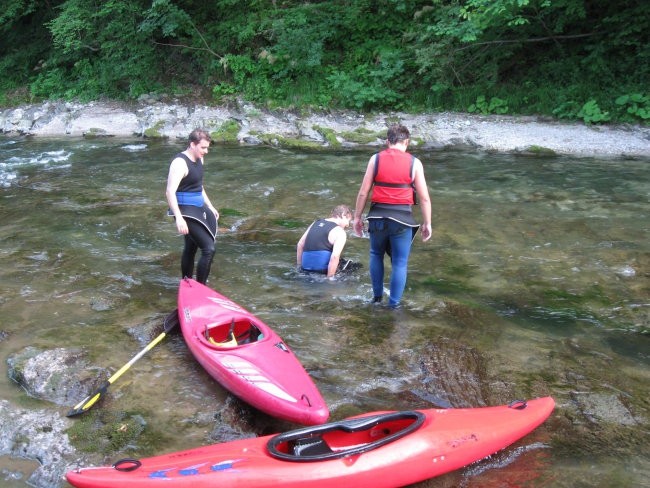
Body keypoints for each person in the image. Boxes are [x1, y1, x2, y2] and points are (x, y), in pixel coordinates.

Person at [352, 124, 432, 308]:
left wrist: (357, 218)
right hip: (402, 220)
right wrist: (427, 223)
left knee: (375, 254)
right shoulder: (415, 163)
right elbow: (425, 198)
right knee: (399, 263)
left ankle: (376, 299)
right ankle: (393, 306)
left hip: (377, 218)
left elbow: (363, 193)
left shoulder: (375, 159)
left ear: (388, 142)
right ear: (407, 142)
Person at [166, 129, 220, 284]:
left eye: (207, 147)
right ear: (192, 144)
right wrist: (179, 218)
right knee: (209, 249)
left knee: (191, 247)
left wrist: (210, 206)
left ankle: (187, 282)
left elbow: (199, 186)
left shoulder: (199, 159)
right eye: (203, 148)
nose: (206, 151)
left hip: (198, 208)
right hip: (185, 211)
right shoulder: (179, 163)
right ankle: (200, 288)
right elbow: (170, 192)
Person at [297, 204, 353, 278]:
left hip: (305, 269)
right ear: (344, 215)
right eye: (348, 221)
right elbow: (335, 257)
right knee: (353, 267)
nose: (347, 225)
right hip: (321, 272)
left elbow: (300, 244)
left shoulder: (316, 223)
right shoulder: (340, 232)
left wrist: (299, 267)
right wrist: (330, 279)